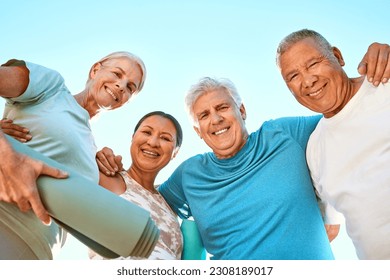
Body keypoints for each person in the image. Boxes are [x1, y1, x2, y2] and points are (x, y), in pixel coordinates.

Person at [0, 51, 146, 259]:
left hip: (38, 253)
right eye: (117, 73)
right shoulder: (52, 88)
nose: (121, 85)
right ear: (96, 70)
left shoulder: (92, 150)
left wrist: (111, 174)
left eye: (130, 87)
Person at [276, 29, 390, 259]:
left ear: (337, 56)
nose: (308, 81)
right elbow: (332, 225)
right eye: (293, 76)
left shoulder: (384, 85)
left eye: (313, 64)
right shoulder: (315, 150)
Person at [90, 111, 184, 260]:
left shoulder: (169, 206)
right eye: (147, 132)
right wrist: (92, 158)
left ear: (175, 153)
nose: (153, 142)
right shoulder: (104, 177)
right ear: (133, 138)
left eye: (165, 138)